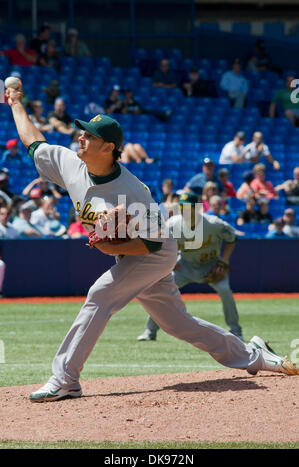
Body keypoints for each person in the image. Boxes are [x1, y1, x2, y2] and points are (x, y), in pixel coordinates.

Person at [6, 83, 298, 403]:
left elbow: (153, 246)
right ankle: (255, 355)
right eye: (82, 132)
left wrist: (112, 247)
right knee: (177, 324)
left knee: (100, 294)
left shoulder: (132, 192)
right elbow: (33, 142)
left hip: (155, 252)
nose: (81, 136)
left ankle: (65, 379)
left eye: (89, 135)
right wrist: (16, 102)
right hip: (132, 254)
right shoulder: (69, 163)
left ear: (108, 148)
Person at [138, 192, 243, 341]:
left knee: (225, 290)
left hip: (211, 266)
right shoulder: (173, 224)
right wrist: (170, 260)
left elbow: (232, 237)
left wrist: (225, 260)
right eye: (182, 206)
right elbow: (162, 243)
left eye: (189, 207)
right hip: (184, 266)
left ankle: (236, 331)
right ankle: (150, 331)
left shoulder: (213, 223)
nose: (185, 210)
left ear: (197, 208)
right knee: (161, 291)